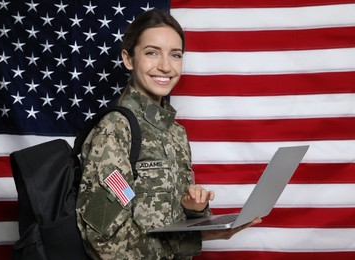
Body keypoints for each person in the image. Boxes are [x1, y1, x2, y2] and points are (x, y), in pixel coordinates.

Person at [76, 9, 262, 260]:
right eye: (152, 52)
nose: (165, 66)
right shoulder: (116, 130)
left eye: (175, 55)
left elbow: (164, 220)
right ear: (128, 59)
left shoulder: (174, 132)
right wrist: (192, 239)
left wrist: (194, 210)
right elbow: (105, 242)